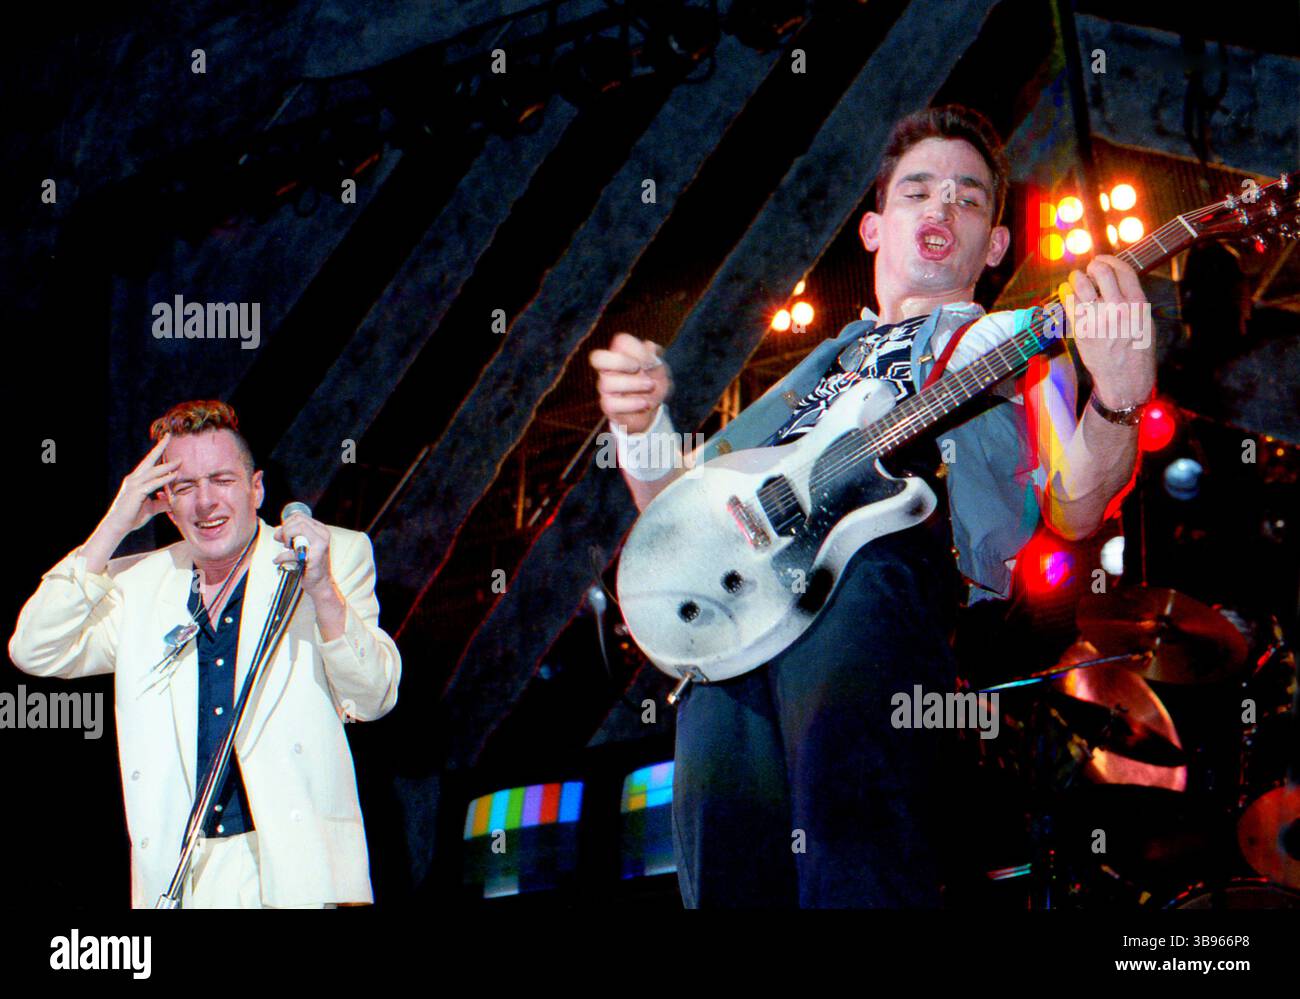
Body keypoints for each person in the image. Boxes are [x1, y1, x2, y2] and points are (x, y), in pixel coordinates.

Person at [589, 105, 1154, 907]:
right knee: (726, 879)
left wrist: (1121, 397)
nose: (941, 207)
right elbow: (680, 515)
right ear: (873, 229)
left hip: (882, 587)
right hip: (737, 629)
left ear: (995, 245)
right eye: (917, 191)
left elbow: (1077, 503)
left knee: (854, 854)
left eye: (967, 197)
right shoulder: (810, 372)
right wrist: (641, 428)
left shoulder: (1023, 345)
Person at [8, 400, 401, 908]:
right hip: (184, 876)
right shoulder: (138, 586)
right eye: (185, 487)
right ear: (165, 502)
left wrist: (323, 590)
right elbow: (34, 648)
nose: (205, 503)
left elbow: (373, 697)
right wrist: (114, 524)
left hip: (300, 865)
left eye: (221, 480)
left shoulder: (327, 557)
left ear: (256, 488)